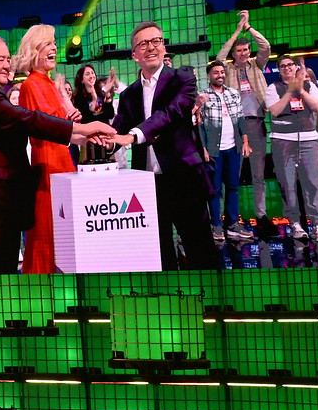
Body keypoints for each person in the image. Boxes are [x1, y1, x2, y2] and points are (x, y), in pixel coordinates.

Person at [0, 35, 116, 275]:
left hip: (0, 207)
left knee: (1, 288)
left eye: (8, 59)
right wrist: (79, 130)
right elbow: (28, 119)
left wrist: (79, 136)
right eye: (0, 59)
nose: (7, 65)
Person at [109, 20, 219, 271]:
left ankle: (212, 304)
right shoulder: (129, 95)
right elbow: (118, 129)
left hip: (184, 178)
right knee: (157, 252)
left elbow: (170, 114)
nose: (151, 47)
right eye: (143, 43)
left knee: (199, 247)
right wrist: (101, 140)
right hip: (147, 183)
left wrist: (134, 135)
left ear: (163, 46)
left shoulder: (183, 79)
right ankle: (168, 302)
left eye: (156, 41)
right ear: (134, 54)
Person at [12, 25, 80, 275]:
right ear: (34, 50)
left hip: (61, 162)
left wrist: (69, 113)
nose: (53, 48)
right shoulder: (31, 84)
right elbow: (46, 128)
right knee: (46, 232)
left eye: (53, 43)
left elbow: (60, 124)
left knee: (61, 234)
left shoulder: (49, 83)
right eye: (47, 44)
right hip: (48, 168)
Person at [218, 10, 274, 235]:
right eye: (239, 51)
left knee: (258, 173)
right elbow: (220, 57)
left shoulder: (256, 65)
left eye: (245, 49)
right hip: (234, 126)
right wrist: (237, 32)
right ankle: (233, 217)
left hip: (256, 123)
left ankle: (261, 216)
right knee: (234, 174)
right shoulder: (228, 69)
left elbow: (266, 47)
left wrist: (249, 28)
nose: (242, 53)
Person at [267, 56, 318, 253]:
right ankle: (295, 223)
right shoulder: (273, 88)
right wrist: (289, 91)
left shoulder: (309, 86)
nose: (286, 68)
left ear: (295, 67)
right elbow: (275, 111)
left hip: (309, 139)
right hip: (282, 141)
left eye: (289, 65)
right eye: (282, 66)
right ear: (279, 70)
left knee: (312, 183)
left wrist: (300, 89)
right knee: (288, 183)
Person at [197, 58, 246, 241]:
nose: (220, 75)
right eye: (216, 72)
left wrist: (246, 142)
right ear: (209, 75)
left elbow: (241, 119)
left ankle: (233, 224)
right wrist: (203, 148)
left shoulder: (233, 93)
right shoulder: (203, 96)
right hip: (214, 151)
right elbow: (199, 127)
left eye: (222, 72)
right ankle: (216, 225)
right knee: (215, 189)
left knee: (233, 186)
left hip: (233, 148)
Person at [70, 64, 118, 163]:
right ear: (82, 80)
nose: (91, 76)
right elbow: (87, 117)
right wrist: (94, 98)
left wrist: (108, 100)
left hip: (105, 138)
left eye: (92, 73)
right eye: (87, 74)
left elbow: (109, 114)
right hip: (89, 140)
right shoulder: (78, 97)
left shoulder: (101, 93)